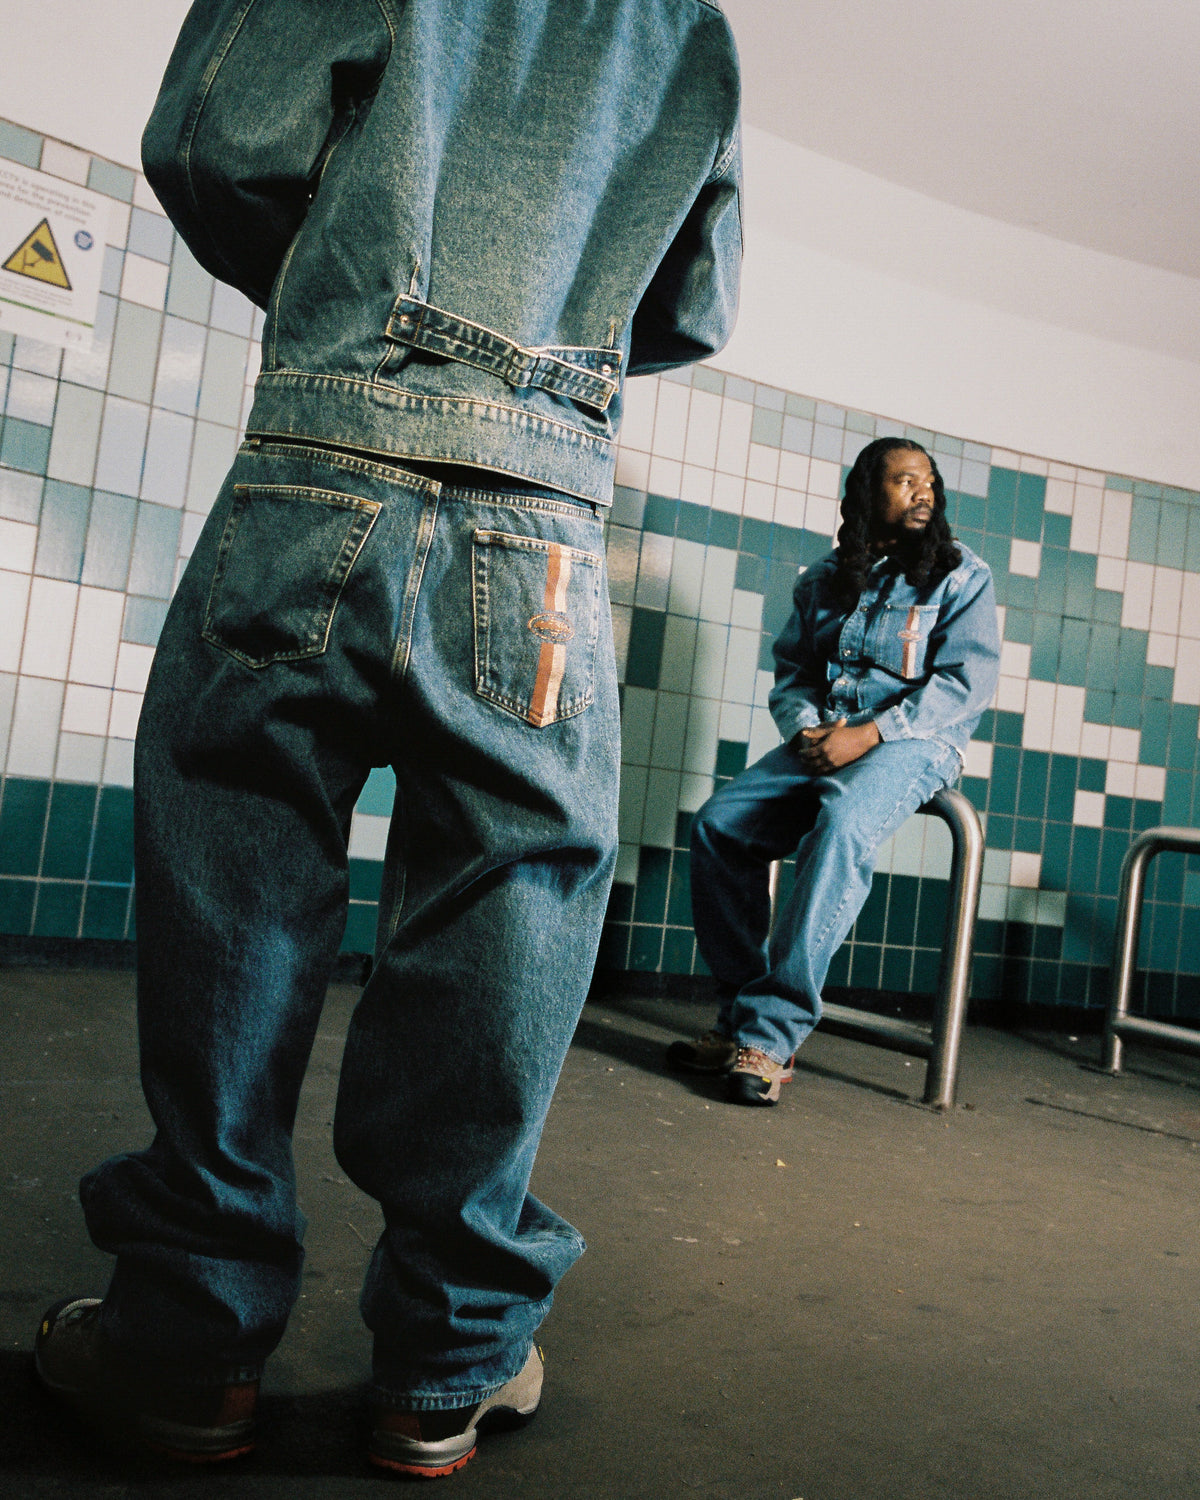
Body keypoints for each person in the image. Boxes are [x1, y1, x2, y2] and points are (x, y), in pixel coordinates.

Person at [34, 0, 741, 1476]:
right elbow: (695, 301)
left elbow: (213, 142)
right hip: (543, 515)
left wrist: (344, 293)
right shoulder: (690, 22)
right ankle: (448, 1362)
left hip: (327, 450)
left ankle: (188, 1348)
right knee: (511, 902)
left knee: (238, 860)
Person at [669, 437, 999, 1105]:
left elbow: (965, 684)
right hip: (829, 732)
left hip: (916, 740)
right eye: (905, 480)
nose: (924, 492)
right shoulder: (822, 579)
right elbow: (794, 674)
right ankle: (738, 1017)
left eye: (929, 481)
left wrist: (869, 734)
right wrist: (807, 731)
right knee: (718, 826)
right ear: (867, 495)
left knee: (842, 824)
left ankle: (771, 1037)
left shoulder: (962, 575)